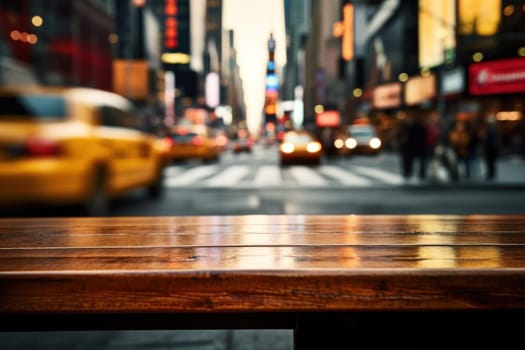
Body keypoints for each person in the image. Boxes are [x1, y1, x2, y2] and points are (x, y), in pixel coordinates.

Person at [481, 114, 499, 180]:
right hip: (492, 148)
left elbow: (490, 140)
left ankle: (491, 173)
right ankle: (491, 173)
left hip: (490, 148)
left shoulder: (491, 129)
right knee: (491, 162)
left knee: (490, 162)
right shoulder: (493, 129)